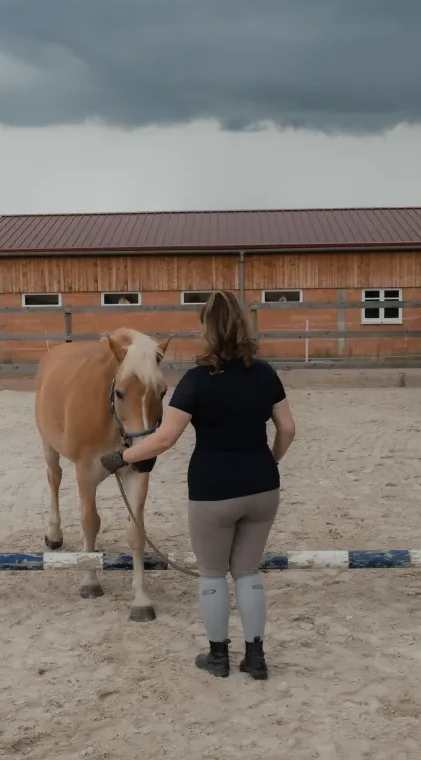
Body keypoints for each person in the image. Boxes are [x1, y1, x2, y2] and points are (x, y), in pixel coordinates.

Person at [100, 289, 296, 680]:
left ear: (205, 330)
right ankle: (256, 658)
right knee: (247, 573)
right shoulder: (265, 372)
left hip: (213, 490)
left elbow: (163, 439)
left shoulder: (195, 381)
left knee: (212, 574)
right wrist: (268, 460)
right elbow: (287, 429)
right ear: (242, 326)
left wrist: (121, 458)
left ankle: (218, 656)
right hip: (263, 488)